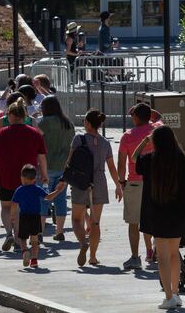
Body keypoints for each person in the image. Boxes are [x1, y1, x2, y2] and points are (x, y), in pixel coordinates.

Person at [134, 126, 185, 309]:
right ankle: (175, 292)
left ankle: (168, 297)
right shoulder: (184, 160)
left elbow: (134, 158)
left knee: (163, 256)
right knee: (174, 253)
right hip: (178, 213)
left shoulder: (151, 160)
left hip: (157, 213)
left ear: (156, 142)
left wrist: (144, 141)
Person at [0, 98, 48, 252]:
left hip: (6, 174)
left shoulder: (3, 133)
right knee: (22, 208)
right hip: (27, 176)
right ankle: (19, 238)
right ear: (24, 115)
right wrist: (44, 174)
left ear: (10, 115)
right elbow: (42, 156)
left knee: (6, 206)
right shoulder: (34, 133)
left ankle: (9, 232)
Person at [68, 109, 122, 267]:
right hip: (99, 181)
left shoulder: (79, 139)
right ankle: (92, 256)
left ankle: (83, 242)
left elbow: (70, 161)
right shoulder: (105, 143)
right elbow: (111, 167)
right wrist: (118, 185)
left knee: (77, 218)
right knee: (95, 222)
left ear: (88, 123)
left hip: (81, 180)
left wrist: (64, 181)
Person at [118, 103, 163, 270]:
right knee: (156, 218)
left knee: (134, 222)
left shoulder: (127, 136)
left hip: (135, 181)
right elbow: (158, 117)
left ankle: (135, 257)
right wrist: (149, 112)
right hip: (156, 181)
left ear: (135, 117)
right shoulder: (157, 129)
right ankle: (157, 250)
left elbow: (121, 163)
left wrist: (121, 182)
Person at [37, 96, 75, 241]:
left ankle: (39, 231)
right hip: (63, 167)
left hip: (46, 166)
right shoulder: (68, 123)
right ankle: (59, 231)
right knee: (61, 199)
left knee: (43, 199)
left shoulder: (43, 123)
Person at [13, 164, 63, 268]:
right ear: (34, 179)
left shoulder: (19, 190)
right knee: (35, 240)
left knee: (22, 238)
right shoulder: (37, 189)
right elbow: (48, 197)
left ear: (22, 178)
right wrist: (58, 190)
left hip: (23, 216)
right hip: (36, 217)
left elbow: (14, 204)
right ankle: (34, 260)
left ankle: (25, 251)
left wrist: (13, 216)